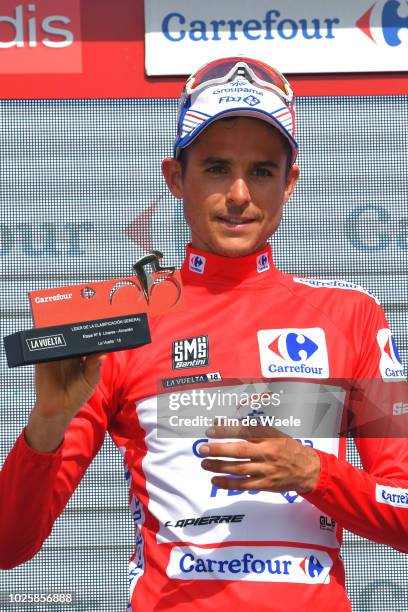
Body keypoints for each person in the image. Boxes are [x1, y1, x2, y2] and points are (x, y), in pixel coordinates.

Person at [0, 56, 407, 612]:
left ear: (289, 183)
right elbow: (8, 546)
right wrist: (47, 421)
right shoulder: (118, 320)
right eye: (217, 168)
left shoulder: (354, 315)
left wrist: (316, 474)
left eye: (261, 171)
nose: (240, 194)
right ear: (176, 178)